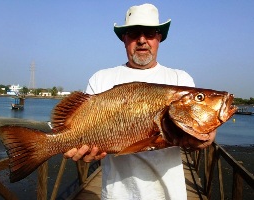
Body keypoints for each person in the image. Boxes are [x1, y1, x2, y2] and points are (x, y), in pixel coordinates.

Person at [64, 3, 216, 199]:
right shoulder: (100, 79)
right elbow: (77, 128)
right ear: (124, 38)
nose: (142, 40)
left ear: (159, 38)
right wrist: (82, 151)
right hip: (116, 194)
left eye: (150, 33)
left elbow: (205, 136)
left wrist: (205, 138)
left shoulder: (181, 80)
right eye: (134, 33)